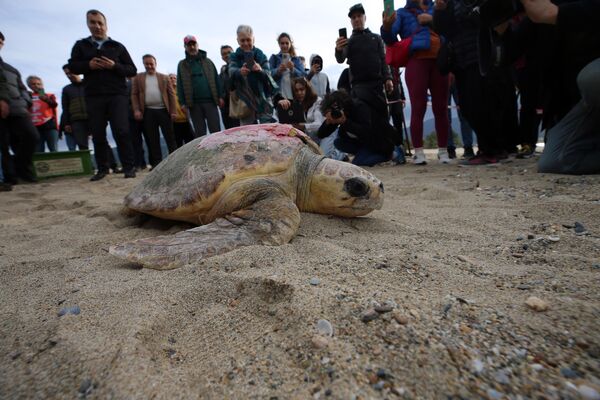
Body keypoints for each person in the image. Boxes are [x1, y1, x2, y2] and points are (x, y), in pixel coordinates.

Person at [507, 0, 600, 174]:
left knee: (592, 78)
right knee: (554, 161)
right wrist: (497, 24)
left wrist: (557, 14)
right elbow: (508, 53)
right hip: (581, 104)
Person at [434, 0, 518, 165]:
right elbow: (443, 29)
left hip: (485, 55)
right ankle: (487, 148)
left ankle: (494, 149)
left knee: (487, 103)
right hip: (462, 58)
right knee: (467, 106)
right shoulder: (452, 3)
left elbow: (506, 10)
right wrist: (440, 10)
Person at [68, 9, 137, 180]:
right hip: (93, 95)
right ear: (88, 24)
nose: (97, 26)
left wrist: (114, 66)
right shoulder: (80, 46)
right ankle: (102, 168)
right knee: (98, 132)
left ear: (106, 25)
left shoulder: (117, 47)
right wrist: (88, 65)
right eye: (93, 22)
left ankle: (129, 167)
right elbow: (73, 66)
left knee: (121, 130)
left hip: (117, 94)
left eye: (100, 23)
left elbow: (132, 70)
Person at [382, 0, 451, 165]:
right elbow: (390, 39)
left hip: (440, 59)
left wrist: (432, 20)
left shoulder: (438, 7)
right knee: (418, 108)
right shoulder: (402, 13)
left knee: (441, 108)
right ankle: (418, 152)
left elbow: (449, 30)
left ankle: (443, 150)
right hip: (416, 60)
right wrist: (386, 27)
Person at [335, 3, 393, 115]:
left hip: (378, 86)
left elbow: (383, 60)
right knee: (364, 122)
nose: (356, 19)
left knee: (383, 121)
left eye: (359, 16)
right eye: (353, 17)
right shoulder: (349, 41)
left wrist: (388, 79)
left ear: (365, 17)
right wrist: (338, 49)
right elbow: (340, 59)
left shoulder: (376, 38)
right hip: (358, 88)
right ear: (351, 21)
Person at [317, 90, 400, 166]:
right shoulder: (339, 114)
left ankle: (391, 154)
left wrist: (345, 122)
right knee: (339, 142)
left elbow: (366, 131)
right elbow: (320, 134)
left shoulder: (359, 107)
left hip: (379, 141)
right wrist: (328, 121)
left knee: (358, 163)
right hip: (364, 142)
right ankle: (364, 154)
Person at [0, 31, 39, 184]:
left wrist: (26, 102)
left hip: (17, 108)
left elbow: (22, 88)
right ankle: (9, 177)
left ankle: (22, 169)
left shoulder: (11, 69)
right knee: (3, 144)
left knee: (32, 136)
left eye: (1, 41)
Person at [131, 54, 177, 169]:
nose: (149, 66)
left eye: (151, 63)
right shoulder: (138, 78)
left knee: (170, 137)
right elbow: (134, 94)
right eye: (147, 64)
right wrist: (136, 109)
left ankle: (175, 161)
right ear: (143, 64)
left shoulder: (164, 77)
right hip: (148, 112)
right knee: (152, 139)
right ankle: (157, 164)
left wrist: (173, 111)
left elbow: (171, 95)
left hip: (164, 111)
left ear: (155, 64)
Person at [229, 25, 277, 125]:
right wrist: (239, 72)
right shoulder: (234, 56)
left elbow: (269, 74)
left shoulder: (260, 54)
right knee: (247, 133)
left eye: (248, 40)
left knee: (268, 129)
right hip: (245, 101)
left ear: (253, 39)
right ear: (237, 41)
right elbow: (231, 71)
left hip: (263, 99)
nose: (246, 43)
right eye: (242, 41)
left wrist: (260, 70)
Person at [176, 35, 224, 138]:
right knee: (199, 133)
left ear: (197, 45)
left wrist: (220, 96)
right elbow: (179, 84)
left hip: (211, 102)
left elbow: (216, 79)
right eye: (189, 45)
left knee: (216, 131)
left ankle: (218, 152)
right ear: (185, 47)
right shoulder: (182, 65)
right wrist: (182, 102)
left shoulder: (208, 62)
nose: (192, 47)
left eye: (193, 44)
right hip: (193, 104)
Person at [26, 75, 59, 153]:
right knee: (38, 151)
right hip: (34, 127)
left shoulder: (49, 95)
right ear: (29, 86)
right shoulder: (27, 96)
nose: (36, 86)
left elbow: (54, 105)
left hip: (49, 125)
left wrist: (46, 99)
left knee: (53, 149)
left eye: (38, 84)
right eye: (33, 84)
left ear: (42, 85)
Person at [60, 65, 90, 151]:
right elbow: (65, 108)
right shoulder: (66, 89)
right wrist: (66, 123)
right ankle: (87, 164)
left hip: (92, 117)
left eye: (70, 72)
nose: (69, 75)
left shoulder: (89, 83)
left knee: (100, 141)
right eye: (67, 74)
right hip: (76, 121)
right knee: (82, 145)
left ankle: (109, 163)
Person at [269, 33, 306, 100]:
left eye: (287, 43)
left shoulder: (296, 59)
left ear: (290, 44)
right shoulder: (274, 58)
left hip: (294, 96)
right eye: (282, 43)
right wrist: (278, 70)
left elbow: (304, 76)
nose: (284, 45)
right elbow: (268, 75)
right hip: (279, 96)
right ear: (279, 44)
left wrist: (293, 69)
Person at [169, 73, 194, 147]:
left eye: (174, 78)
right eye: (170, 78)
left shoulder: (182, 91)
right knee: (178, 144)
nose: (173, 79)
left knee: (190, 142)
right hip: (175, 122)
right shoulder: (166, 92)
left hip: (186, 121)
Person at [219, 45, 240, 129]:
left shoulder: (240, 65)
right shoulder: (222, 70)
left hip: (239, 104)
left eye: (229, 52)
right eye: (224, 54)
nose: (227, 55)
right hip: (226, 106)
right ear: (222, 57)